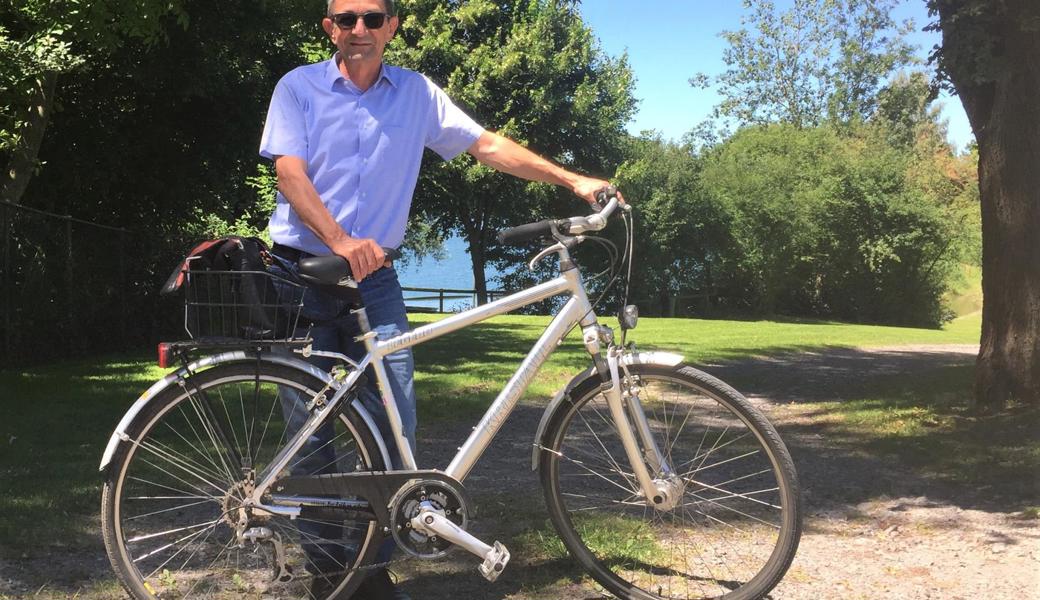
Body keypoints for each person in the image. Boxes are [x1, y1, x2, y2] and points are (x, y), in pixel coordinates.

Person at [259, 0, 621, 597]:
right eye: (345, 19)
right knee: (313, 438)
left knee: (394, 427)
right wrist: (342, 239)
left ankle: (369, 572)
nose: (359, 31)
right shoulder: (297, 88)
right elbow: (290, 174)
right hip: (299, 274)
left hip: (375, 279)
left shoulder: (417, 95)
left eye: (372, 18)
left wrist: (571, 179)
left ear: (391, 28)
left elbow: (486, 144)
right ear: (330, 28)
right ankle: (332, 577)